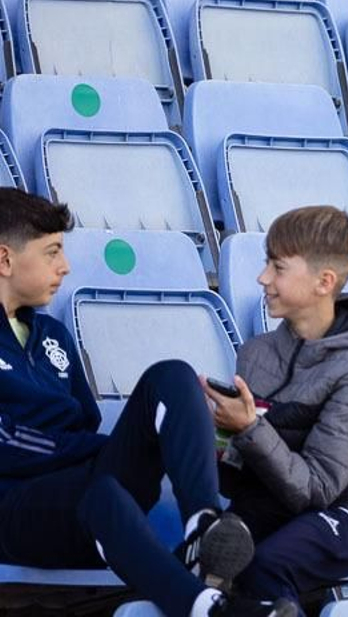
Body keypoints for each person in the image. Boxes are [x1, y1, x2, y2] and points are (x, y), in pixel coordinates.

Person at [0, 188, 287, 617]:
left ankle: (201, 527)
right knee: (102, 494)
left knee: (171, 375)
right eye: (51, 252)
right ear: (5, 260)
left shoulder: (53, 336)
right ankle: (209, 608)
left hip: (87, 486)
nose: (65, 266)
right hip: (18, 509)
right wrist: (99, 450)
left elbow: (83, 422)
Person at [202, 205, 348, 607]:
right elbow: (239, 479)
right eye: (266, 262)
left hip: (344, 514)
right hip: (272, 503)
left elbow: (317, 489)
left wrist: (250, 429)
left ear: (324, 282)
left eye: (278, 267)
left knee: (264, 567)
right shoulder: (256, 353)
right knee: (201, 563)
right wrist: (216, 437)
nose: (262, 277)